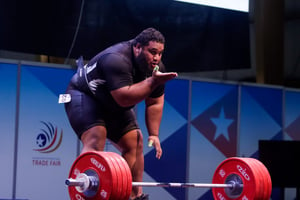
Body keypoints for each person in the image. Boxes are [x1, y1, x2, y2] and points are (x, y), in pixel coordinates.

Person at [64, 27, 177, 200]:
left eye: (160, 53)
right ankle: (86, 193)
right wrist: (153, 81)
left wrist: (154, 134)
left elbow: (154, 102)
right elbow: (124, 99)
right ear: (138, 47)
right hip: (84, 95)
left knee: (136, 142)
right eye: (152, 52)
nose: (156, 58)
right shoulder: (116, 59)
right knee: (96, 136)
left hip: (111, 102)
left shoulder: (157, 69)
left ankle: (133, 196)